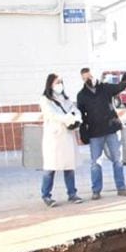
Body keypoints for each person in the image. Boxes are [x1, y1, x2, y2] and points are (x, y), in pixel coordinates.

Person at [76, 67, 126, 200]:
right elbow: (81, 116)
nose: (88, 80)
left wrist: (125, 79)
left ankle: (121, 188)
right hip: (95, 133)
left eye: (89, 77)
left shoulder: (105, 88)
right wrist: (83, 134)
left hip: (111, 129)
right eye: (85, 78)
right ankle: (96, 191)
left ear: (94, 75)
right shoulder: (81, 95)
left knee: (117, 161)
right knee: (96, 163)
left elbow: (119, 87)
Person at [38, 73, 83, 208]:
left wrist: (76, 119)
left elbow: (75, 111)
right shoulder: (45, 100)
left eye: (61, 82)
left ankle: (72, 193)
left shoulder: (66, 99)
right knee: (50, 168)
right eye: (57, 82)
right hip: (54, 138)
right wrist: (68, 118)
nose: (60, 85)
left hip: (67, 137)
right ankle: (46, 195)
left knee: (69, 166)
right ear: (50, 84)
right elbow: (52, 114)